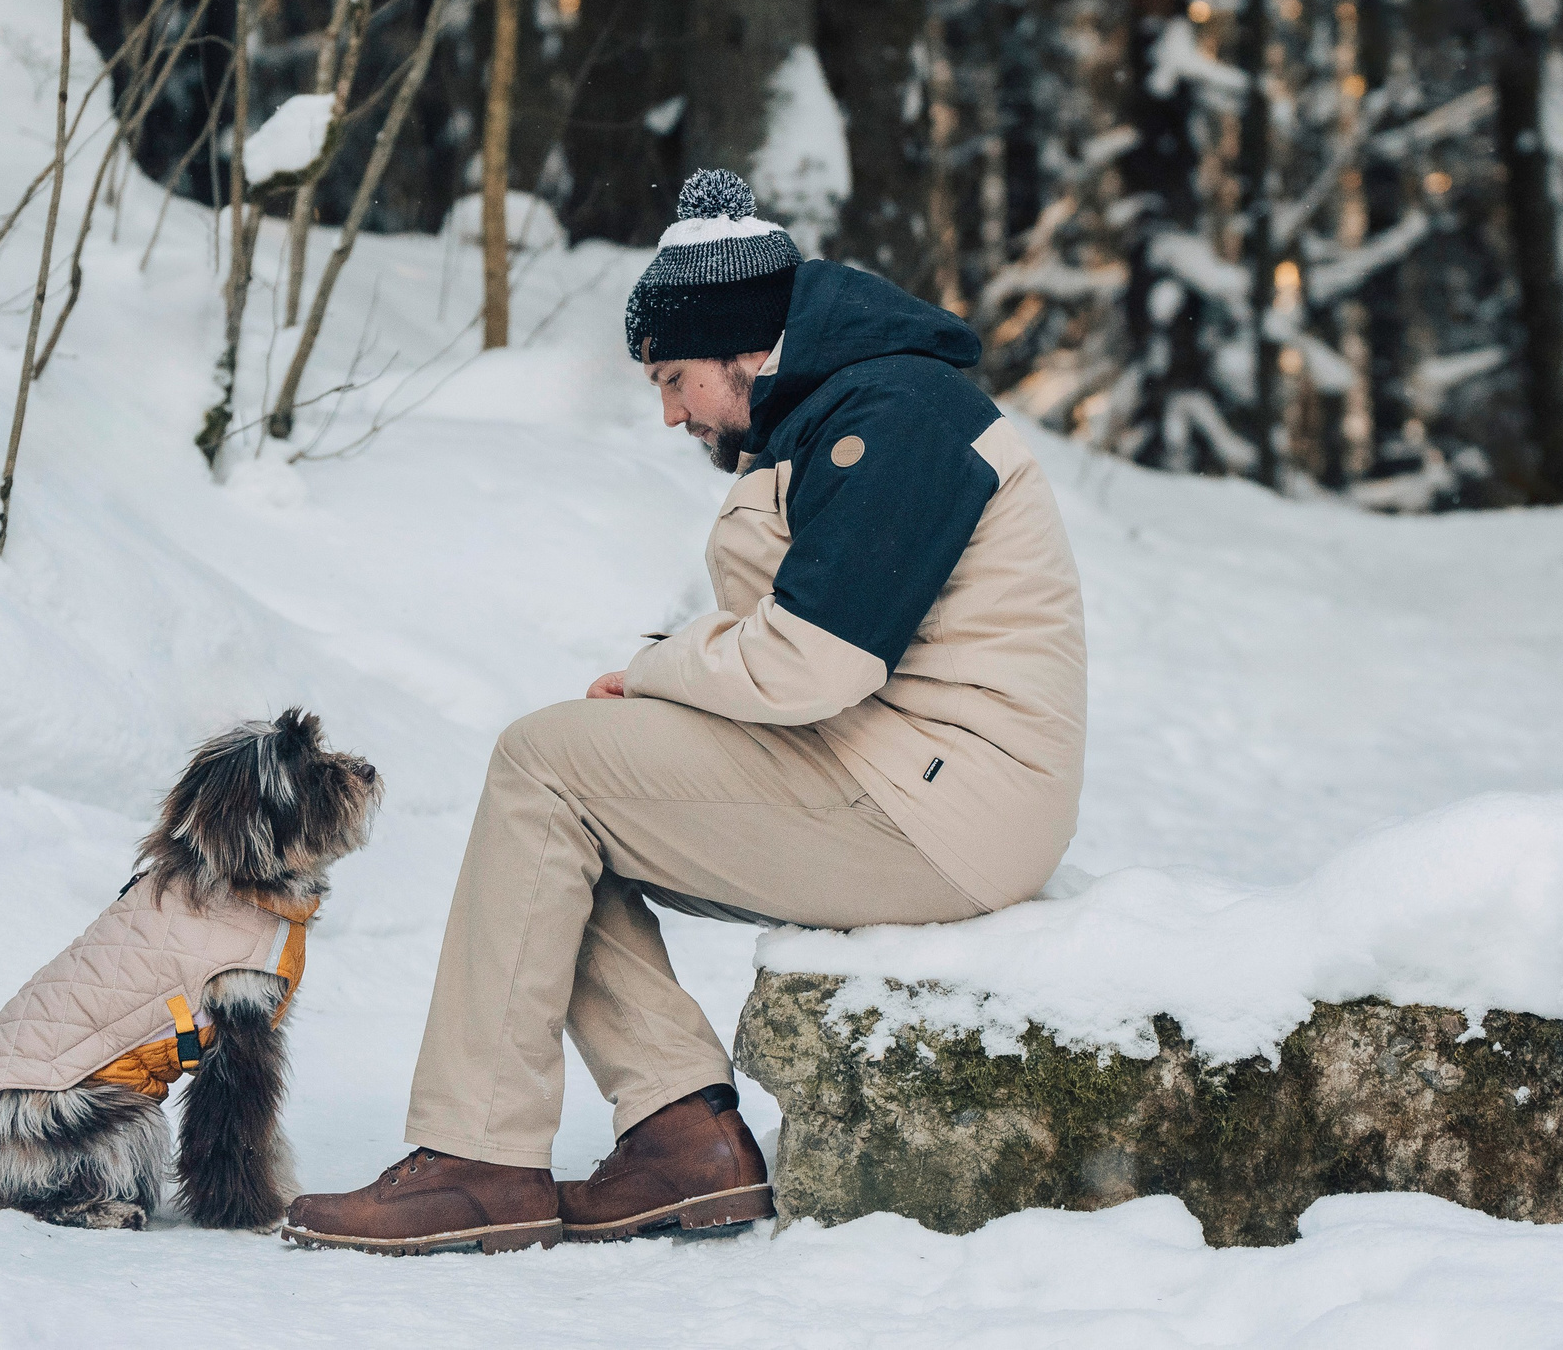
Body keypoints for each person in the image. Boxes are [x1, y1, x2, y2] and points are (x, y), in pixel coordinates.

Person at [280, 169, 1088, 1254]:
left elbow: (813, 660)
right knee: (570, 799)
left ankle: (480, 1158)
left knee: (546, 765)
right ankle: (678, 1139)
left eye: (672, 377)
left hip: (945, 804)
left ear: (744, 344)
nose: (669, 411)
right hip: (913, 778)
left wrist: (658, 669)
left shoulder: (897, 413)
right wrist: (663, 678)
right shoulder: (840, 410)